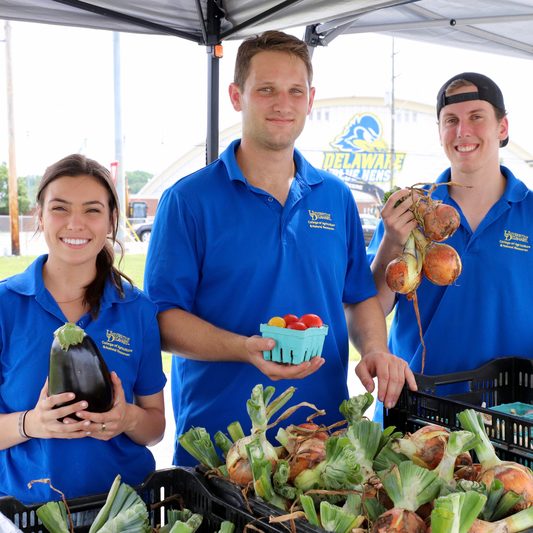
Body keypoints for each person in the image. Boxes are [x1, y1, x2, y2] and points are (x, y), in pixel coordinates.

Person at [144, 30, 416, 466]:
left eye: (295, 91)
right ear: (237, 96)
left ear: (311, 100)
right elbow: (162, 319)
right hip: (220, 445)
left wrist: (375, 351)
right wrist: (242, 348)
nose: (282, 104)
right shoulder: (189, 200)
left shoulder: (334, 196)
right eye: (266, 89)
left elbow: (359, 296)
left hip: (322, 437)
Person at [0, 154, 166, 504]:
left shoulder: (137, 309)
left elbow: (155, 428)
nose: (76, 223)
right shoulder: (5, 305)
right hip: (26, 509)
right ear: (40, 217)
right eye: (60, 208)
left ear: (110, 222)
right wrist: (32, 423)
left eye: (92, 210)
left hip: (124, 509)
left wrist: (127, 418)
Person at [367, 72, 533, 420]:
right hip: (419, 406)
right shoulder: (410, 210)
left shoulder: (529, 212)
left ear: (502, 128)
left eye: (477, 117)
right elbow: (371, 306)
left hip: (509, 414)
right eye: (451, 121)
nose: (463, 131)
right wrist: (392, 241)